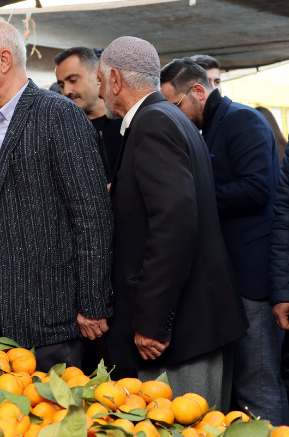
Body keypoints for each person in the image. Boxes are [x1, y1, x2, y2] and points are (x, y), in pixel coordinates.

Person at [0, 16, 113, 372]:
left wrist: (93, 302)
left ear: (4, 60)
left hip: (45, 306)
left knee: (47, 417)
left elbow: (92, 218)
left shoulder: (59, 115)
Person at [101, 37, 247, 409]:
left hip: (180, 332)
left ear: (115, 79)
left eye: (101, 80)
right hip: (193, 321)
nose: (100, 91)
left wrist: (152, 321)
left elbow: (174, 227)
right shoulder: (167, 117)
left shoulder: (152, 122)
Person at [160, 57, 287, 424]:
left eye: (176, 106)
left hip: (253, 279)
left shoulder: (243, 120)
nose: (175, 116)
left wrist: (189, 194)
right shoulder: (209, 125)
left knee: (259, 383)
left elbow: (257, 189)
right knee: (240, 387)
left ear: (198, 91)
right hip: (228, 277)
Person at [54, 47, 123, 184]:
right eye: (61, 85)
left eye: (73, 80)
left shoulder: (128, 122)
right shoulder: (64, 132)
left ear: (98, 76)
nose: (66, 91)